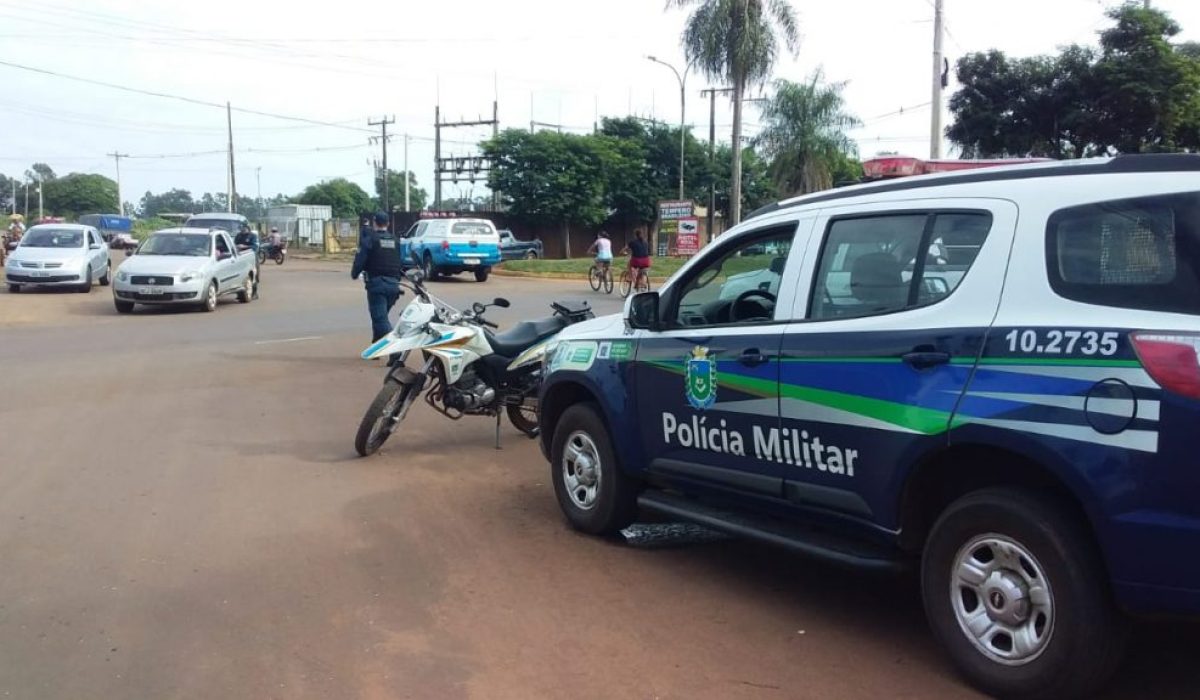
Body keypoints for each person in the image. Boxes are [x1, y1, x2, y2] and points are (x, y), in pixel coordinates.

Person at [352, 211, 404, 342]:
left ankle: (395, 350)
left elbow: (360, 260)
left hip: (377, 285)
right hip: (394, 286)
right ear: (388, 223)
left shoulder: (370, 240)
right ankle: (376, 346)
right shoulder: (396, 241)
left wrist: (354, 273)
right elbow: (400, 262)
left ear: (374, 223)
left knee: (380, 320)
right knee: (380, 317)